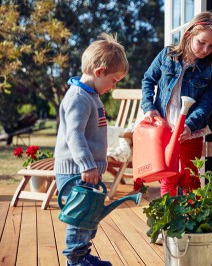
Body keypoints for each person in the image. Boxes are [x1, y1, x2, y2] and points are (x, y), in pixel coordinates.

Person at [54, 33, 128, 266]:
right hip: (77, 171)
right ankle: (75, 261)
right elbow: (74, 135)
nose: (114, 85)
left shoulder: (91, 95)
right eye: (114, 80)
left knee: (89, 217)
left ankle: (83, 255)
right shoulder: (78, 98)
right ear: (99, 72)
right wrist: (87, 164)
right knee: (79, 217)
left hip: (87, 170)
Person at [141, 11, 212, 197]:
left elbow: (207, 104)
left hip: (191, 130)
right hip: (164, 127)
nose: (205, 49)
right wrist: (148, 107)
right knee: (167, 176)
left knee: (191, 177)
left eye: (211, 46)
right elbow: (148, 80)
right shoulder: (166, 55)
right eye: (201, 42)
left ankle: (193, 221)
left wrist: (189, 126)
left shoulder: (210, 69)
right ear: (189, 35)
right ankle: (170, 220)